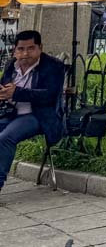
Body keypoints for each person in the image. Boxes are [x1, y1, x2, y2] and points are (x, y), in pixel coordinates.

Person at [0, 30, 66, 195]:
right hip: (10, 112)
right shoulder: (11, 65)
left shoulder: (53, 66)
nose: (25, 53)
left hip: (38, 115)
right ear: (14, 50)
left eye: (31, 48)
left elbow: (49, 96)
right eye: (21, 49)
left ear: (40, 48)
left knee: (5, 138)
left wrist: (17, 93)